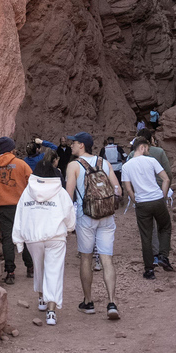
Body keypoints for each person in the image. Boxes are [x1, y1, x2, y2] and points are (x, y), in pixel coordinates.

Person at [12, 152, 75, 326]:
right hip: (55, 237)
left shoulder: (27, 192)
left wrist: (18, 240)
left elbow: (20, 215)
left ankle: (41, 298)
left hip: (33, 238)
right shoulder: (60, 192)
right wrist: (69, 228)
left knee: (39, 268)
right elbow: (69, 213)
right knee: (54, 271)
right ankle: (51, 312)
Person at [65, 132, 121, 320]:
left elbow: (68, 195)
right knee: (107, 260)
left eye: (73, 143)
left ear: (81, 145)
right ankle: (112, 303)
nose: (71, 145)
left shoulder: (73, 165)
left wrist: (67, 220)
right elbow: (117, 189)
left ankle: (88, 302)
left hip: (86, 217)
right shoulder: (104, 163)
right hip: (106, 216)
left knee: (86, 259)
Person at [0, 137, 34, 284]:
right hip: (22, 207)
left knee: (7, 238)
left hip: (4, 208)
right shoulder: (21, 164)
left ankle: (10, 272)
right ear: (12, 149)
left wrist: (0, 195)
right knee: (25, 237)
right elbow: (32, 183)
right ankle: (30, 268)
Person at [122, 137, 174, 280]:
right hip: (157, 199)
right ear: (143, 147)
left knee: (146, 236)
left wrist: (135, 200)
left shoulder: (126, 166)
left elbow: (128, 188)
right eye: (148, 148)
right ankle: (163, 255)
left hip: (142, 203)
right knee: (165, 227)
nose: (148, 151)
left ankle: (149, 270)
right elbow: (166, 179)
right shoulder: (151, 161)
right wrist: (163, 196)